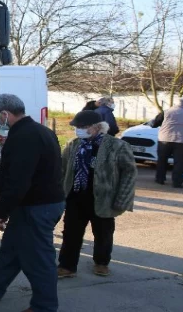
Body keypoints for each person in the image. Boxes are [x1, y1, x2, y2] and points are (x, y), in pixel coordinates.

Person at [0, 94, 66, 312]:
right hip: (37, 204)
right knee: (11, 250)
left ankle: (44, 306)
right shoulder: (39, 131)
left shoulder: (24, 137)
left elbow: (18, 181)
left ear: (4, 114)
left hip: (37, 207)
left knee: (39, 259)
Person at [57, 111, 137, 279]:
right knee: (71, 233)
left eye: (83, 127)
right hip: (76, 197)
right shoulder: (73, 144)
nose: (79, 130)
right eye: (77, 127)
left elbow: (129, 173)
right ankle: (67, 266)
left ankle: (101, 263)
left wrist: (122, 199)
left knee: (103, 233)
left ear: (98, 127)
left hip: (104, 198)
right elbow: (62, 169)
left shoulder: (117, 146)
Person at [155, 98, 183, 188]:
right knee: (180, 163)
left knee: (162, 160)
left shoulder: (166, 111)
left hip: (165, 139)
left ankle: (160, 179)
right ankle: (177, 182)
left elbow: (156, 122)